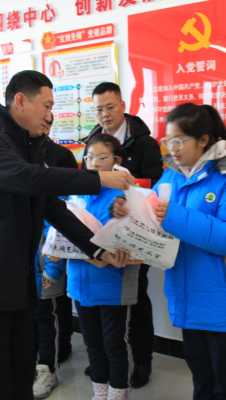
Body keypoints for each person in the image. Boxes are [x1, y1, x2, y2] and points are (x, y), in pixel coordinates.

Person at [0, 70, 139, 400]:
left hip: (19, 281)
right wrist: (98, 179)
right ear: (20, 101)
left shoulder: (26, 142)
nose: (51, 115)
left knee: (21, 378)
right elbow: (26, 178)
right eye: (47, 105)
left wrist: (97, 250)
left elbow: (52, 206)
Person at [114, 103, 226, 399]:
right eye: (168, 141)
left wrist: (174, 216)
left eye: (180, 141)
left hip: (224, 299)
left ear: (204, 140)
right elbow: (152, 216)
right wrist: (124, 209)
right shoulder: (171, 177)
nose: (172, 148)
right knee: (201, 376)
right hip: (186, 292)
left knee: (225, 381)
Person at [44, 133, 139, 400]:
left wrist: (94, 253)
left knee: (114, 343)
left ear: (117, 161)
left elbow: (126, 239)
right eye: (88, 158)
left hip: (112, 283)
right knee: (92, 343)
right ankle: (99, 393)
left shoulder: (124, 196)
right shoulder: (76, 193)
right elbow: (62, 233)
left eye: (102, 157)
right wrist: (55, 262)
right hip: (80, 284)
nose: (94, 163)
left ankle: (118, 393)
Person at [83, 81, 164, 388]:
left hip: (132, 233)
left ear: (122, 105)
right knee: (101, 302)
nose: (104, 114)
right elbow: (84, 184)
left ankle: (141, 360)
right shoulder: (92, 141)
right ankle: (107, 359)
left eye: (109, 107)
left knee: (135, 298)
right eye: (98, 109)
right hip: (98, 234)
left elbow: (155, 188)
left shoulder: (144, 143)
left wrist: (128, 197)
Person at [31, 114, 79, 399]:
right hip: (21, 258)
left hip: (48, 256)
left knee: (48, 315)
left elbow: (62, 214)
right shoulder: (12, 157)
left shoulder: (60, 157)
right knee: (30, 317)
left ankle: (48, 366)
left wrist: (52, 265)